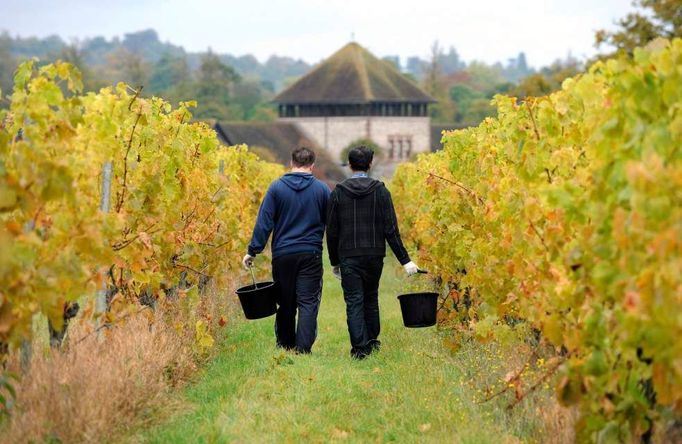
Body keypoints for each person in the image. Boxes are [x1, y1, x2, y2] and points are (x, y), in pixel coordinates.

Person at [326, 145, 420, 359]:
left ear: (349, 165)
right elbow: (391, 229)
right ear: (370, 164)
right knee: (370, 297)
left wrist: (335, 261)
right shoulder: (381, 191)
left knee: (354, 300)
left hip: (349, 255)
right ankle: (372, 340)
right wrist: (406, 261)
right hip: (374, 255)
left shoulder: (339, 193)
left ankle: (360, 349)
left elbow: (331, 231)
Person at [242, 147, 330, 354]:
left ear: (291, 163)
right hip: (311, 253)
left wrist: (253, 250)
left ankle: (285, 344)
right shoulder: (322, 190)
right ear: (312, 165)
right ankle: (303, 348)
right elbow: (332, 223)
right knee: (308, 301)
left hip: (283, 254)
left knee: (285, 300)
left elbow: (264, 221)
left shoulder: (276, 188)